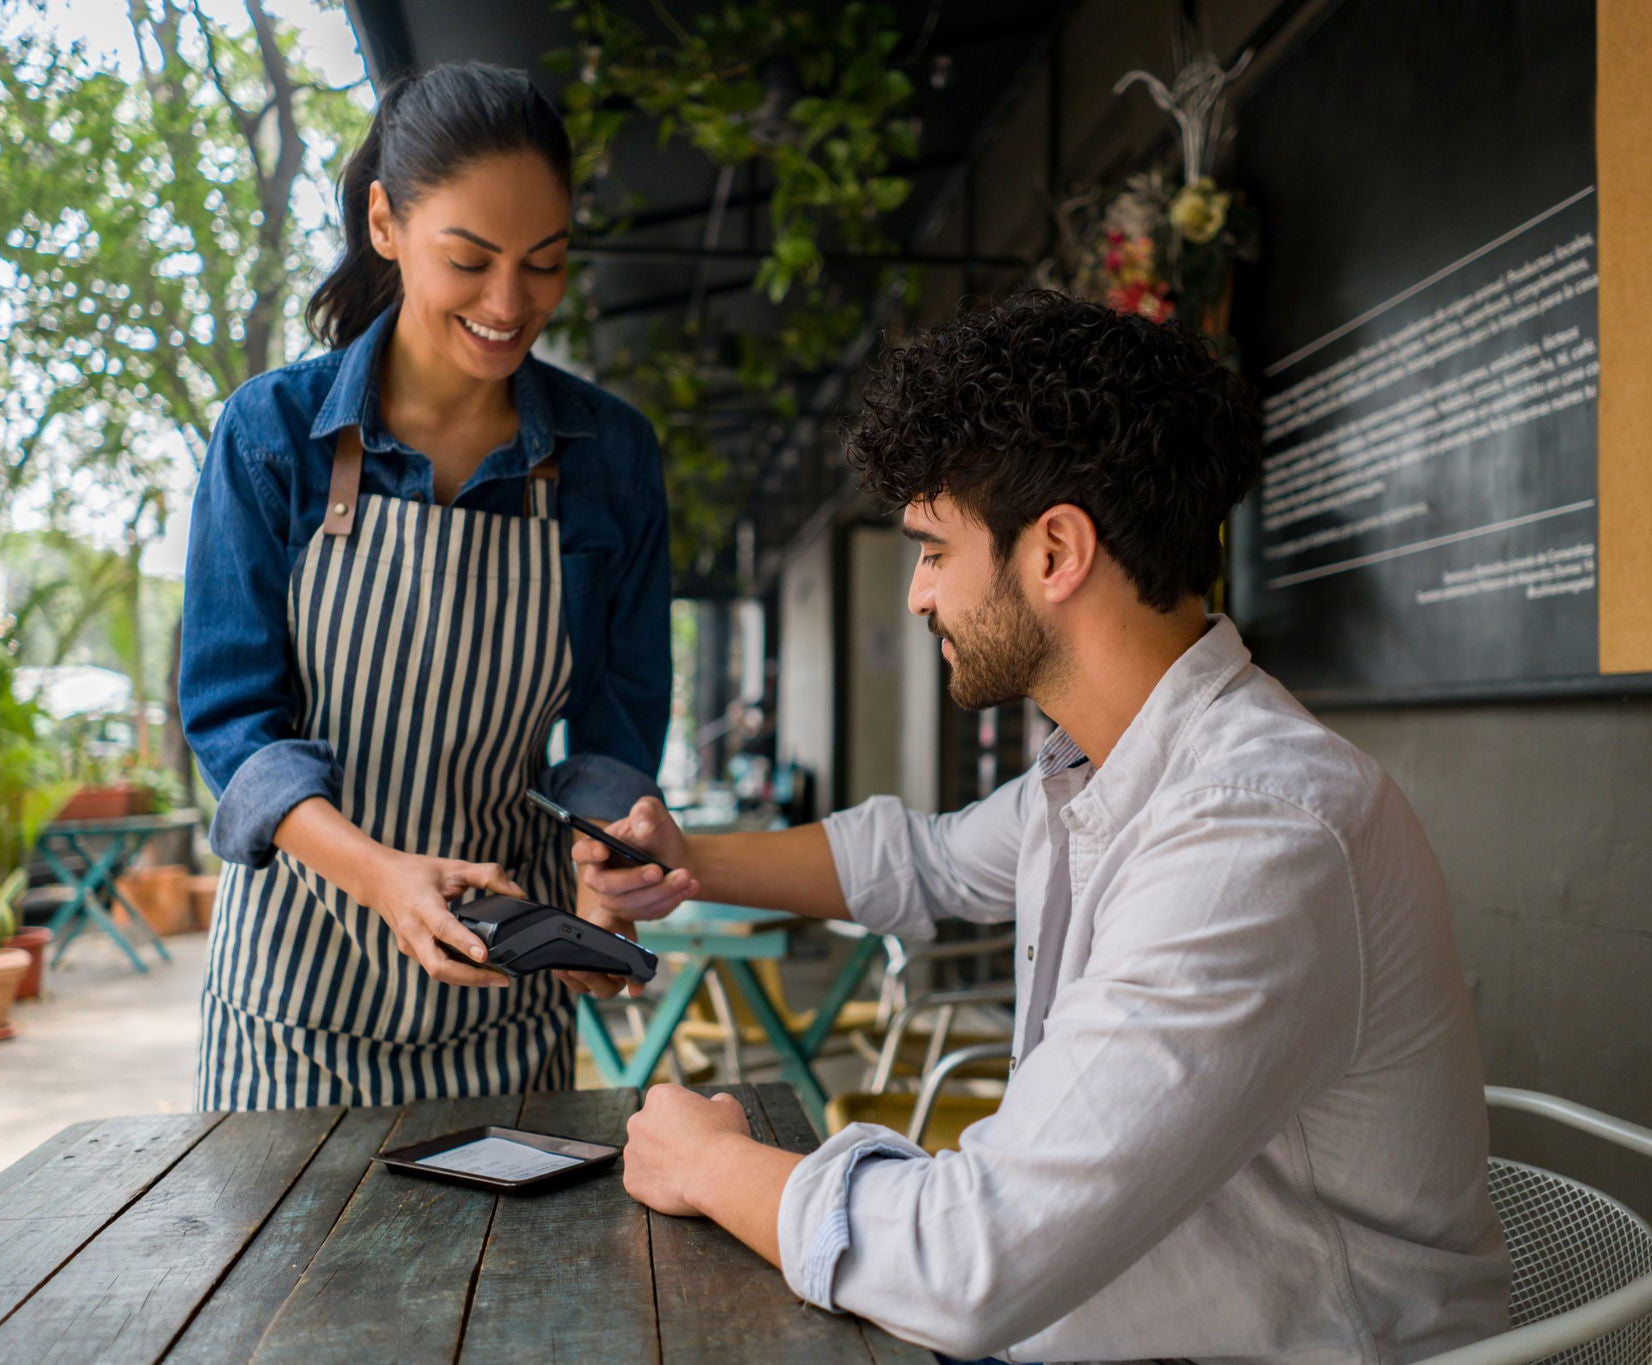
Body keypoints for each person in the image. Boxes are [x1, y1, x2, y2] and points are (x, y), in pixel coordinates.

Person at [573, 292, 1512, 1362]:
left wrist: (709, 1163)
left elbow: (971, 1261)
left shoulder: (1255, 835)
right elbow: (920, 862)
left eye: (932, 550)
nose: (918, 596)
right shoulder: (1109, 772)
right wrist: (685, 861)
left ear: (1054, 550)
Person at [179, 63, 669, 1110]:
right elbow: (232, 725)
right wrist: (379, 875)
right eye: (471, 259)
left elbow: (611, 734)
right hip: (293, 1012)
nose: (509, 304)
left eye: (543, 264)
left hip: (506, 1004)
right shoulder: (272, 440)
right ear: (385, 225)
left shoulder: (611, 460)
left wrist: (607, 865)